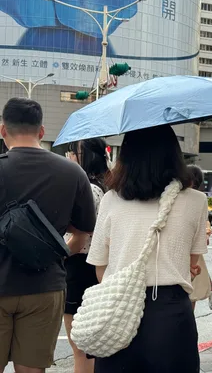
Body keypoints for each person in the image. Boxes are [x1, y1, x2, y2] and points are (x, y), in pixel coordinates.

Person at [86, 125, 208, 372]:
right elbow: (192, 260)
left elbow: (100, 268)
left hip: (118, 310)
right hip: (172, 313)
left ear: (126, 156)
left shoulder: (111, 200)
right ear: (174, 154)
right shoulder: (196, 201)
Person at [0, 98, 96, 373]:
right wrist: (57, 255)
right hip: (45, 287)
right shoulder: (72, 172)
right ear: (41, 132)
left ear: (2, 130)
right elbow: (82, 234)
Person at [64, 138, 109, 373]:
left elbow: (80, 237)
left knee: (80, 347)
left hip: (79, 267)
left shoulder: (90, 189)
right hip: (96, 267)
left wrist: (58, 255)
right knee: (92, 347)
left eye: (76, 152)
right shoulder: (107, 186)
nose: (71, 155)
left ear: (86, 156)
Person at [187, 165, 212, 311]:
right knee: (191, 294)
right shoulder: (200, 199)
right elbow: (204, 236)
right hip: (193, 255)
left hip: (187, 253)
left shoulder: (176, 197)